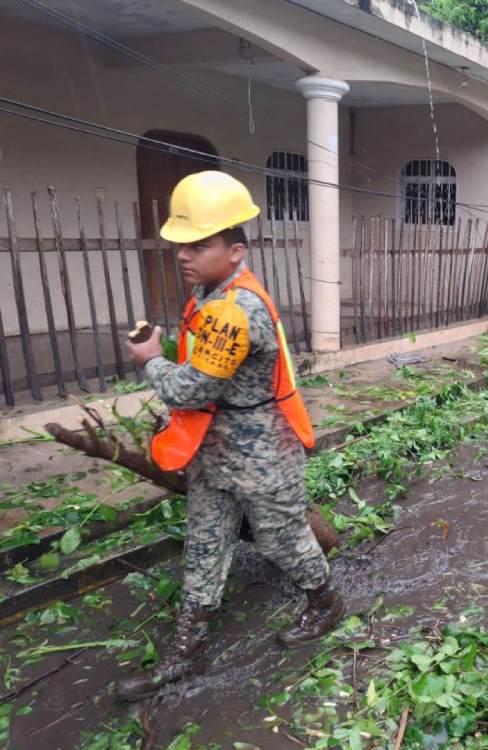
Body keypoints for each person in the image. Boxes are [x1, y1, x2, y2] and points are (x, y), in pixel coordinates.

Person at [118, 171, 343, 702]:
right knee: (203, 545)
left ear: (235, 250)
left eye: (200, 244)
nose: (183, 254)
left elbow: (190, 390)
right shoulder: (212, 291)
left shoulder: (236, 310)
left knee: (282, 539)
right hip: (217, 452)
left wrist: (151, 361)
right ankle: (186, 652)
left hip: (263, 453)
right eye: (181, 244)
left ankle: (325, 603)